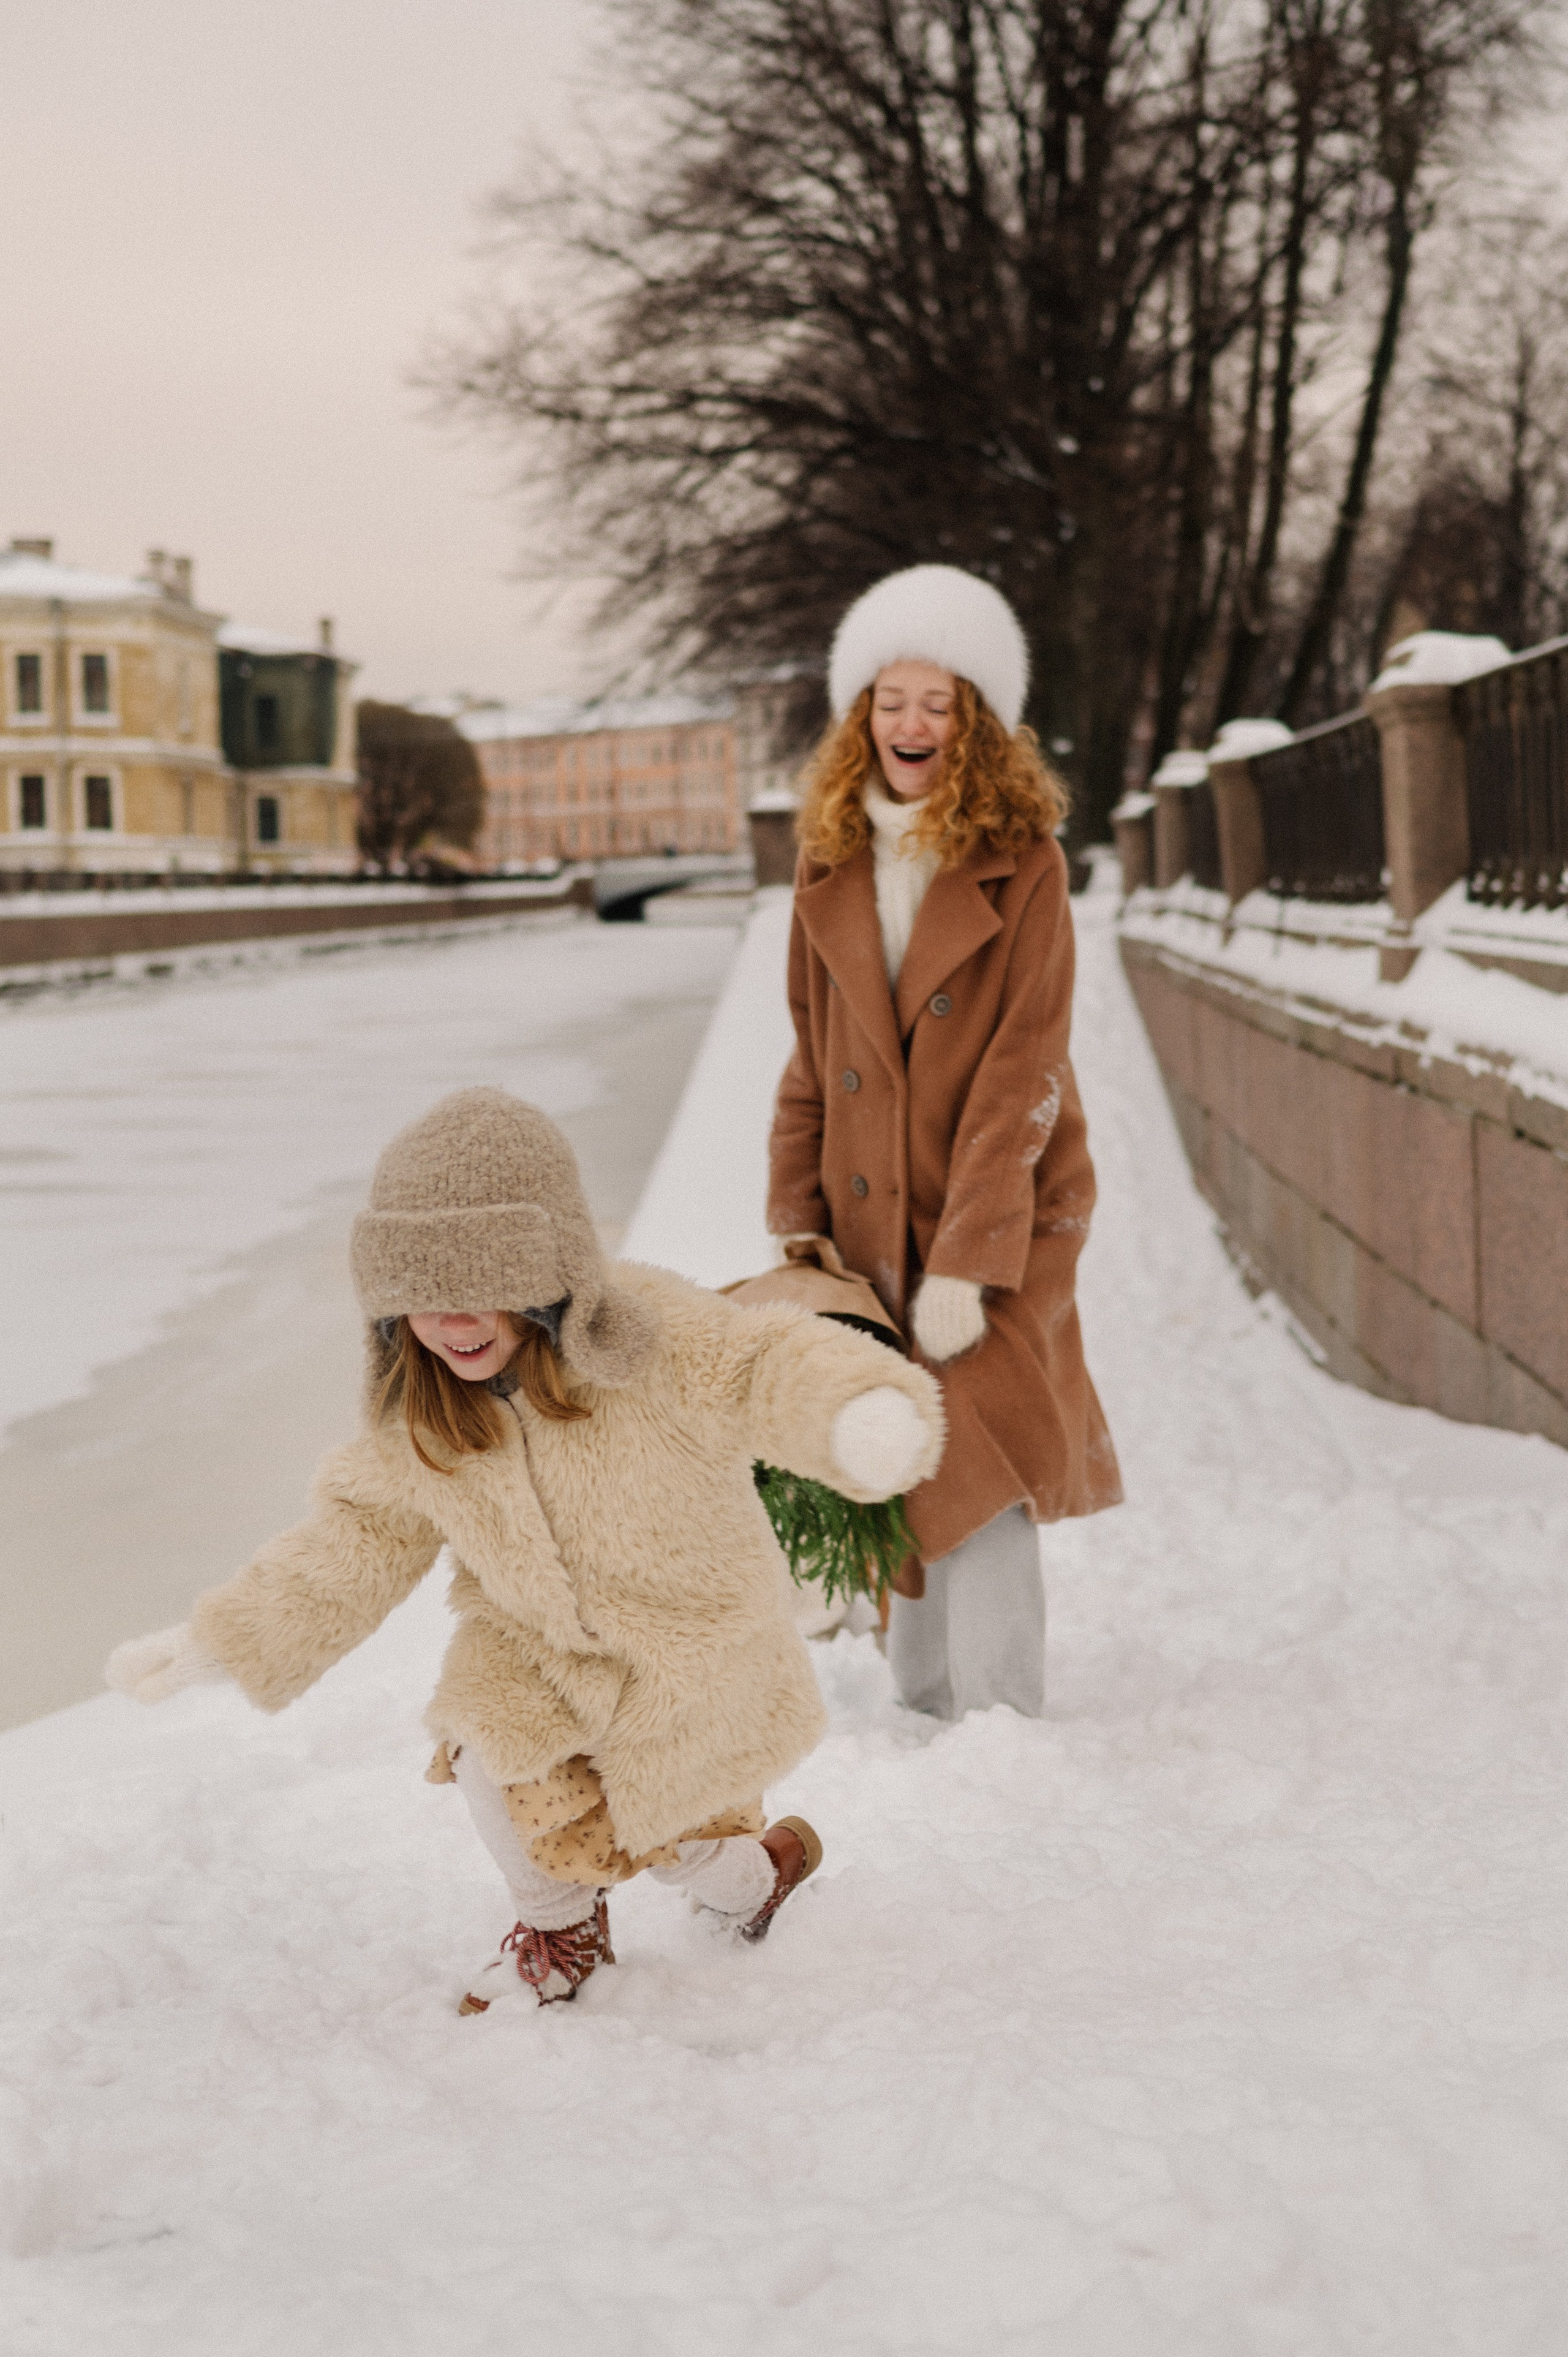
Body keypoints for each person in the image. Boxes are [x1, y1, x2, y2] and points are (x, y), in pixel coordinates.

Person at [107, 1088, 943, 2011]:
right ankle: (561, 1930)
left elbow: (763, 1364)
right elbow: (354, 1540)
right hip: (537, 1653)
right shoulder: (424, 1418)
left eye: (483, 1290)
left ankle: (763, 1877)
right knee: (484, 1741)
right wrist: (222, 1641)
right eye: (422, 1298)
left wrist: (850, 1411)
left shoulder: (654, 1340)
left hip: (688, 1648)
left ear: (551, 1274)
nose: (453, 1324)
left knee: (687, 1853)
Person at [768, 564, 1122, 1721]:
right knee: (896, 1438)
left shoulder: (1028, 861)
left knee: (991, 1445)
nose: (911, 725)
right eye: (890, 699)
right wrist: (796, 1221)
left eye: (939, 702)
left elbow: (1025, 1063)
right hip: (867, 1208)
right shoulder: (825, 860)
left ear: (975, 720)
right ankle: (920, 1697)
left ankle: (1004, 1716)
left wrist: (971, 1255)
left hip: (1005, 1204)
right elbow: (810, 1053)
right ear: (859, 714)